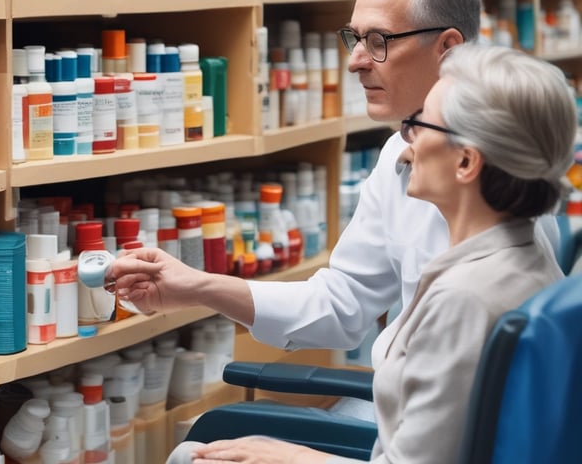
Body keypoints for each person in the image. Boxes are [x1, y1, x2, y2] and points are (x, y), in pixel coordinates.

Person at [133, 44, 577, 463]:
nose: (407, 145)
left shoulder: (463, 299)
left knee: (192, 454)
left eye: (421, 125)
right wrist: (198, 286)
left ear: (466, 162)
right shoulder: (524, 258)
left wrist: (293, 456)